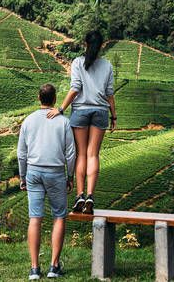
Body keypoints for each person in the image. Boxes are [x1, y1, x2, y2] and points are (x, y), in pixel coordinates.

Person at [47, 30, 116, 215]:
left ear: (85, 43)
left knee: (81, 155)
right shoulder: (107, 65)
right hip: (101, 111)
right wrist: (114, 116)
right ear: (102, 45)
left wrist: (60, 108)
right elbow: (110, 94)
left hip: (81, 111)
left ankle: (80, 196)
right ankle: (91, 196)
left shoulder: (78, 62)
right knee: (93, 154)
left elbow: (75, 88)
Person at [18, 83, 76, 280]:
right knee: (59, 216)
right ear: (54, 99)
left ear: (38, 98)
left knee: (35, 218)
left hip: (33, 172)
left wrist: (22, 176)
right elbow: (70, 153)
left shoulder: (28, 120)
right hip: (56, 173)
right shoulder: (63, 121)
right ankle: (54, 266)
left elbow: (21, 153)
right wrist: (70, 176)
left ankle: (34, 269)